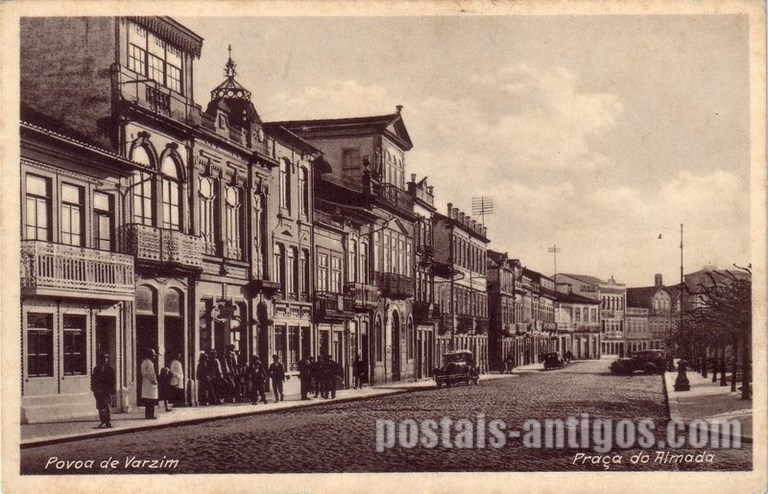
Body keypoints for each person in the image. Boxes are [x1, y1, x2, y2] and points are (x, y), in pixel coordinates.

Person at [90, 353, 115, 428]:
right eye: (103, 358)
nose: (105, 360)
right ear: (100, 360)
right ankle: (102, 421)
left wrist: (111, 389)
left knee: (107, 406)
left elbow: (112, 381)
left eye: (106, 358)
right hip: (98, 390)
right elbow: (93, 379)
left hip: (106, 391)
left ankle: (108, 422)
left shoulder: (110, 369)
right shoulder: (96, 369)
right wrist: (93, 387)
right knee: (100, 407)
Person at [141, 348, 159, 419]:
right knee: (151, 400)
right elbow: (151, 374)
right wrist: (154, 381)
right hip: (150, 383)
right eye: (153, 355)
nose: (154, 357)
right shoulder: (150, 363)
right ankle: (151, 415)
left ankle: (147, 414)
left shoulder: (144, 362)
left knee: (147, 401)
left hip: (145, 382)